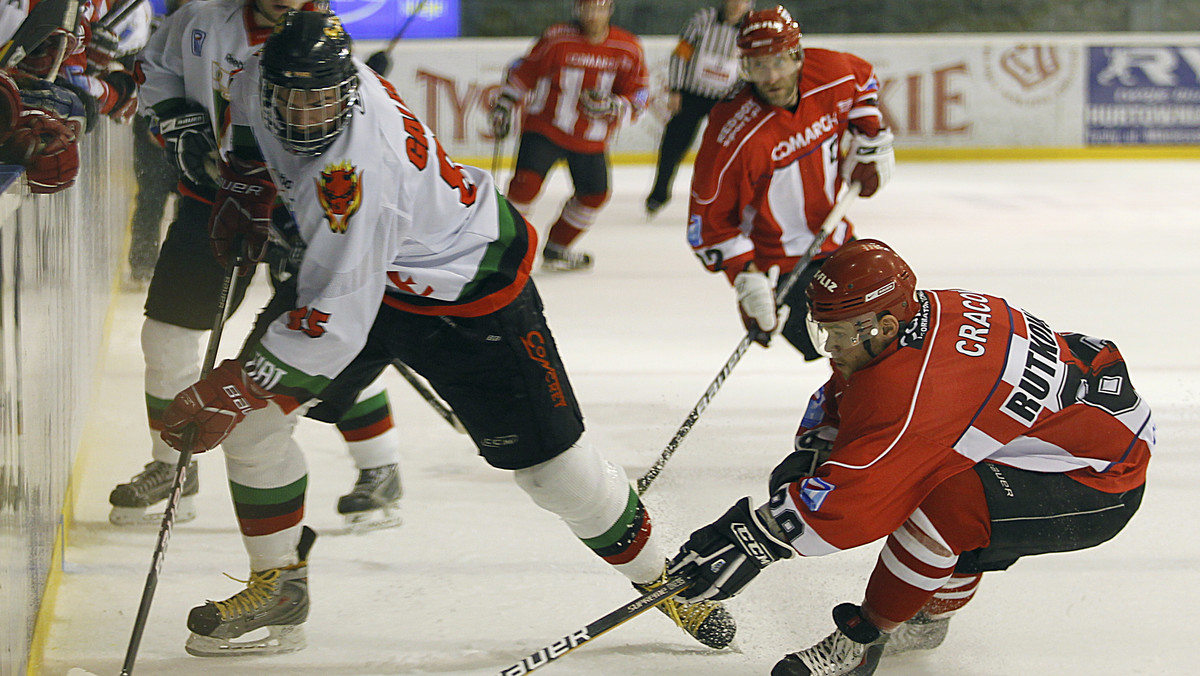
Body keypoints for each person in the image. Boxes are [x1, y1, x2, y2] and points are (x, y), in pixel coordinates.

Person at [156, 9, 735, 657]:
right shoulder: (261, 73)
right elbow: (249, 138)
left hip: (466, 292)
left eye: (319, 102)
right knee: (258, 426)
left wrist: (235, 384)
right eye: (289, 99)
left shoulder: (357, 174)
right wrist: (244, 185)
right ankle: (279, 585)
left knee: (554, 476)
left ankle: (669, 581)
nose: (303, 116)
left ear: (347, 91)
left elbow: (334, 320)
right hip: (361, 269)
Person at [667, 239, 1153, 676]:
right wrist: (819, 443)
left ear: (885, 324)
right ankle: (928, 614)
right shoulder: (918, 317)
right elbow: (856, 386)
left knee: (941, 503)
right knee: (954, 487)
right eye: (824, 331)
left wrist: (756, 537)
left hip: (1100, 483)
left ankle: (862, 642)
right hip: (1080, 429)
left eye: (840, 334)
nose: (830, 348)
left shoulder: (923, 392)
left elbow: (851, 506)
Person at [109, 0, 404, 531]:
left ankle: (378, 466)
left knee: (320, 335)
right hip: (213, 198)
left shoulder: (322, 44)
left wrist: (313, 233)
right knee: (166, 337)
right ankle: (172, 466)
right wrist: (177, 116)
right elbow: (155, 65)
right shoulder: (200, 20)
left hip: (300, 208)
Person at [687, 5, 894, 358]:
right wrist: (745, 277)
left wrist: (870, 138)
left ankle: (861, 409)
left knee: (883, 329)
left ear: (798, 56)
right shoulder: (730, 134)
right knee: (845, 349)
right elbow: (705, 224)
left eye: (780, 61)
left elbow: (863, 82)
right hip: (777, 264)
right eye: (757, 65)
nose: (770, 76)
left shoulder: (830, 72)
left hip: (835, 237)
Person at [489, 0, 647, 271]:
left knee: (594, 195)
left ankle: (557, 248)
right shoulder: (557, 38)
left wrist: (613, 105)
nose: (593, 15)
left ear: (610, 10)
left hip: (591, 137)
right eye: (587, 9)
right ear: (577, 10)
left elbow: (639, 94)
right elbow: (525, 71)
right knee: (524, 186)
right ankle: (505, 251)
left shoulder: (627, 48)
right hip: (546, 126)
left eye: (599, 8)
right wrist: (505, 102)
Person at [645, 0, 751, 217]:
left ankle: (727, 200)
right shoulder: (704, 19)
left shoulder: (751, 25)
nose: (737, 4)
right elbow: (681, 53)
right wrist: (675, 89)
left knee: (729, 151)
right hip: (692, 94)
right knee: (673, 145)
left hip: (727, 99)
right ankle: (659, 194)